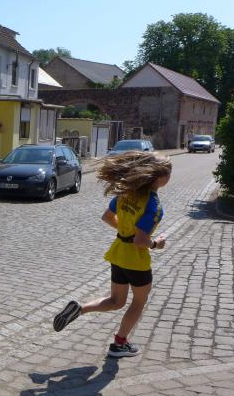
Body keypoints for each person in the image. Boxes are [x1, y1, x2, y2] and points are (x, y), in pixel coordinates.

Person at [53, 151, 172, 358]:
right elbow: (140, 241)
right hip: (136, 260)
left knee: (116, 301)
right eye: (169, 173)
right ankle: (119, 344)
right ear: (160, 177)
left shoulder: (125, 194)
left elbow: (107, 217)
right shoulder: (154, 205)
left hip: (117, 254)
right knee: (138, 302)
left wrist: (126, 230)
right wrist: (156, 244)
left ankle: (80, 308)